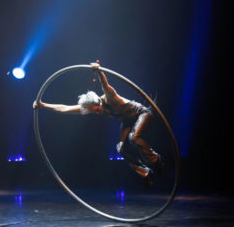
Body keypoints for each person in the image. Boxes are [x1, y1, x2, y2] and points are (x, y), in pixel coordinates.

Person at [33, 62, 163, 187]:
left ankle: (155, 159)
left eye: (96, 109)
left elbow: (105, 85)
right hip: (127, 122)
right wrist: (42, 105)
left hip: (141, 114)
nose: (96, 112)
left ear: (98, 101)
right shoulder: (91, 107)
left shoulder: (110, 97)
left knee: (133, 138)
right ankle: (145, 173)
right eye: (93, 111)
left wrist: (99, 71)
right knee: (121, 149)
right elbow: (64, 108)